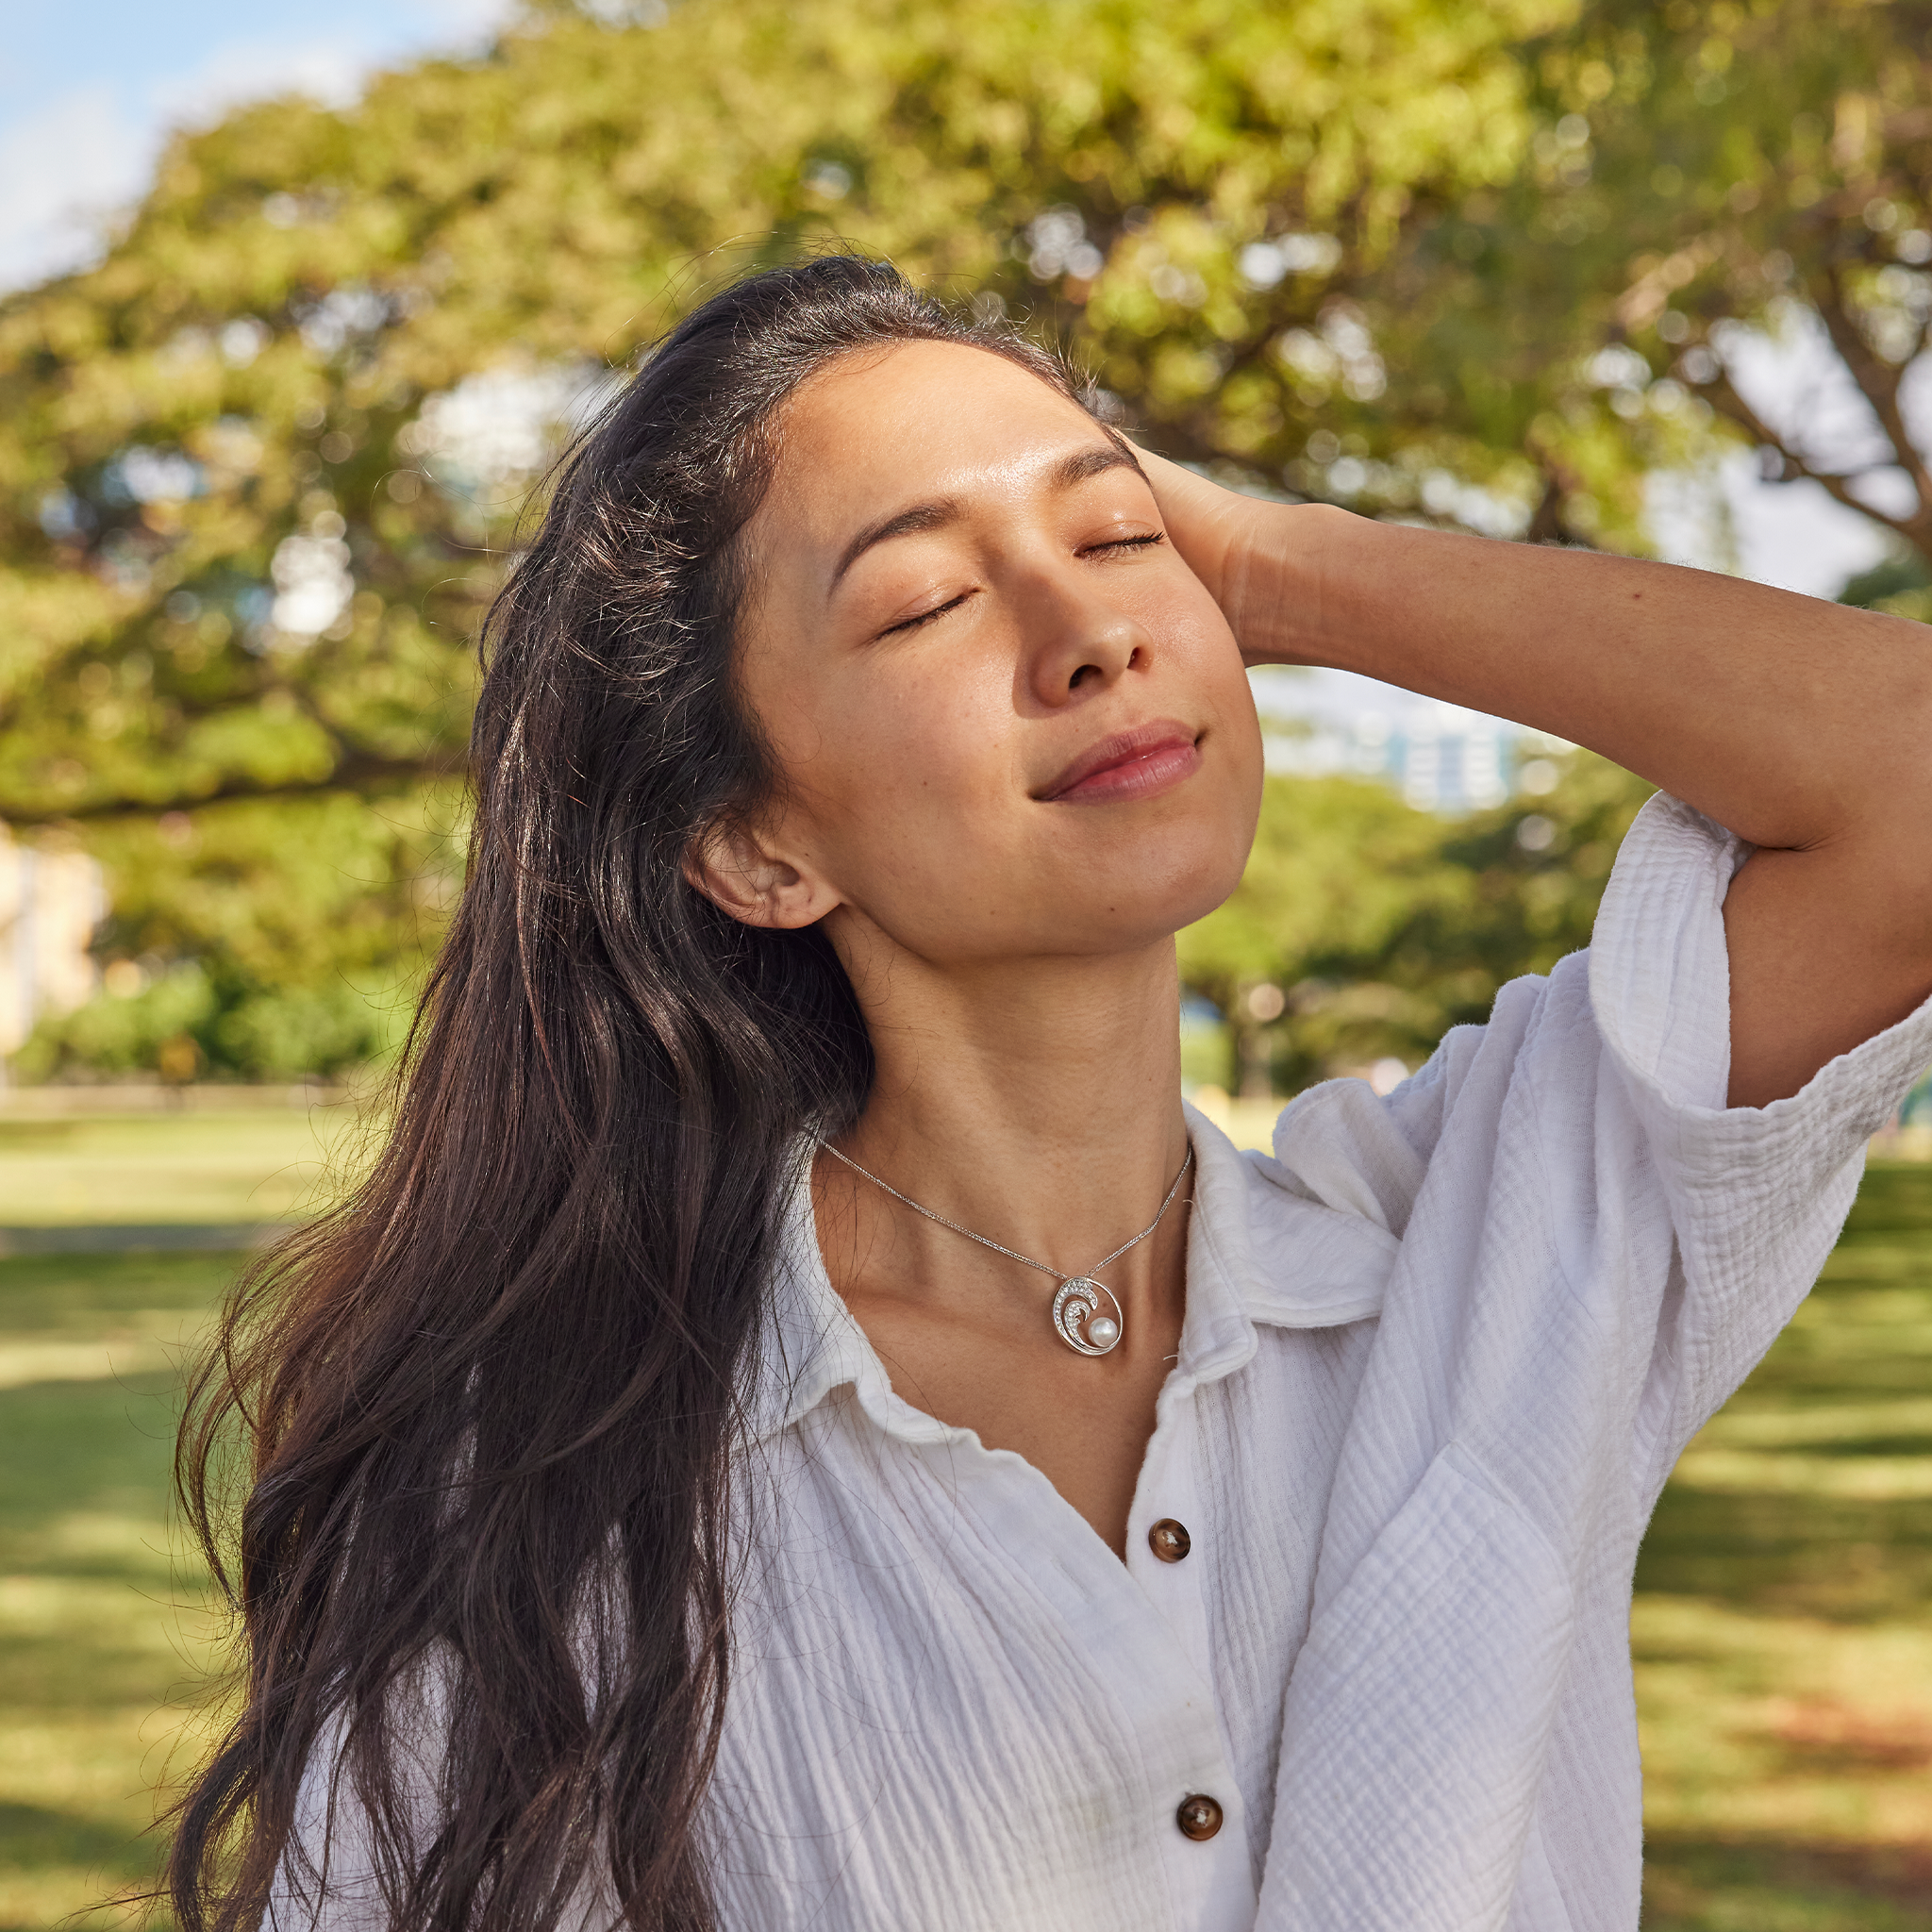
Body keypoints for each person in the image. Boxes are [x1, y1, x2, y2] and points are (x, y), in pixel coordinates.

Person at [171, 255, 1932, 1932]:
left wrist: (1272, 561)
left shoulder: (1480, 1242)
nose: (1089, 625)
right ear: (757, 845)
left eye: (1117, 535)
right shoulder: (557, 1487)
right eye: (928, 596)